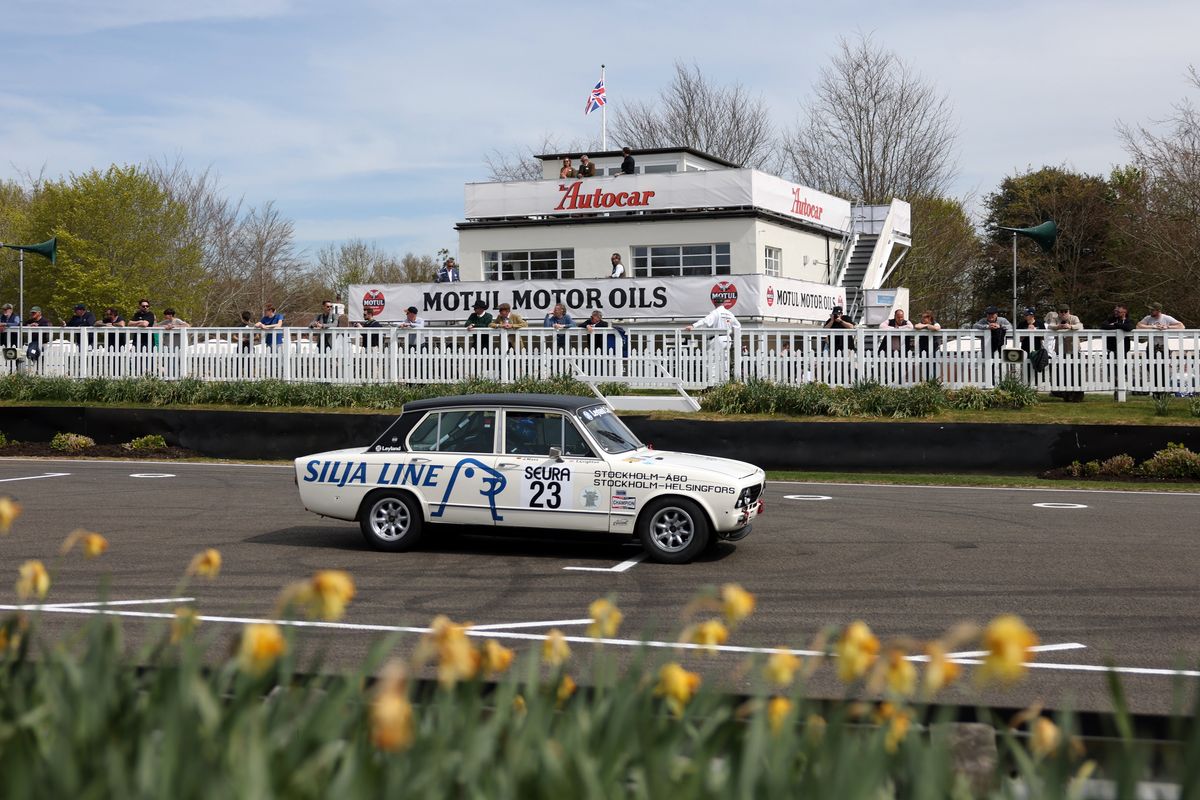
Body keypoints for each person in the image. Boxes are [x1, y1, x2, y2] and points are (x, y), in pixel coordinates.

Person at [685, 299, 742, 381]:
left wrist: (693, 326)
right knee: (725, 361)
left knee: (712, 360)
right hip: (727, 339)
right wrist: (737, 340)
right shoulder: (729, 314)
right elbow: (738, 326)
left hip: (717, 339)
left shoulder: (715, 313)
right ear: (723, 303)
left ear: (714, 303)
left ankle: (712, 382)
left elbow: (705, 321)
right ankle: (725, 381)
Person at [1045, 303, 1083, 402]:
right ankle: (1064, 394)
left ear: (1068, 312)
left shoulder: (1074, 318)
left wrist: (1070, 326)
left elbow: (1080, 325)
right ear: (1058, 312)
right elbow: (1050, 326)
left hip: (1073, 349)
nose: (1063, 314)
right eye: (1061, 312)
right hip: (1060, 350)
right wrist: (1058, 327)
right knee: (1063, 373)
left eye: (1065, 311)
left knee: (1075, 373)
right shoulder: (1056, 319)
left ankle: (1077, 395)